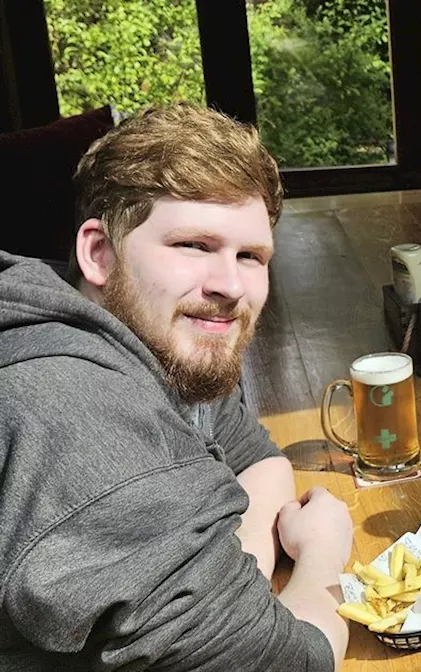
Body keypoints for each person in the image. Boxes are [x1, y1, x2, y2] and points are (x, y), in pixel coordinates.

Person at [0, 104, 353, 670]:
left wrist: (226, 580)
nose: (231, 286)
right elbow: (293, 662)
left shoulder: (164, 344)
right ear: (98, 252)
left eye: (250, 256)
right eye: (193, 246)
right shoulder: (75, 411)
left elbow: (258, 459)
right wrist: (322, 555)